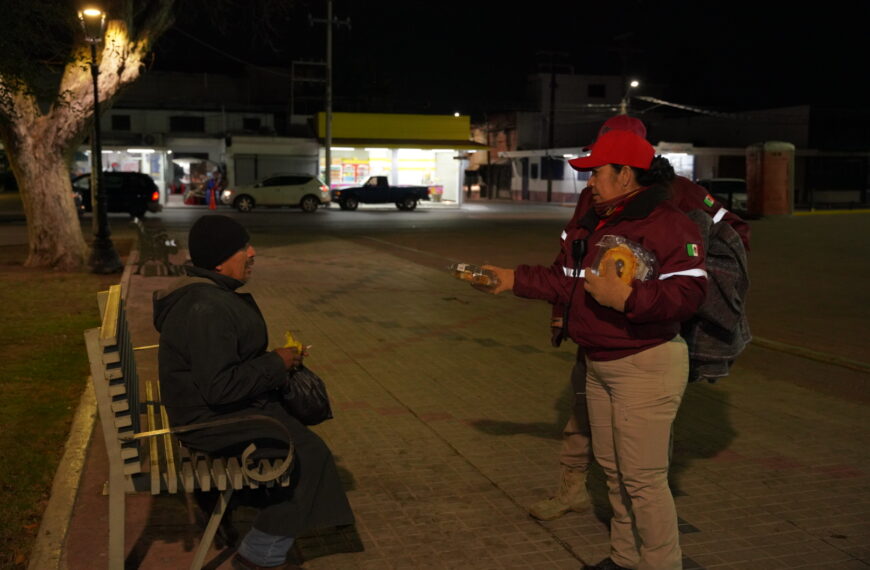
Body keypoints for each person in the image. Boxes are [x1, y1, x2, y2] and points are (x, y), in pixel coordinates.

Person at [476, 129, 707, 570]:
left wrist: (629, 299)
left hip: (646, 363)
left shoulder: (667, 222)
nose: (590, 181)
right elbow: (566, 280)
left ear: (626, 175)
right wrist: (511, 279)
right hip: (600, 362)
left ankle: (662, 564)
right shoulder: (598, 218)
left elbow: (692, 293)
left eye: (598, 172)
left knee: (643, 480)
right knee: (615, 475)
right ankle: (624, 558)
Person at [153, 214, 354, 570]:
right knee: (309, 455)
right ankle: (261, 553)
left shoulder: (208, 296)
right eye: (243, 248)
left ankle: (262, 507)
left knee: (293, 430)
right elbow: (220, 386)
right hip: (205, 422)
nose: (252, 253)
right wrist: (276, 362)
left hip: (208, 409)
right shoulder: (206, 307)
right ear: (220, 259)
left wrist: (279, 362)